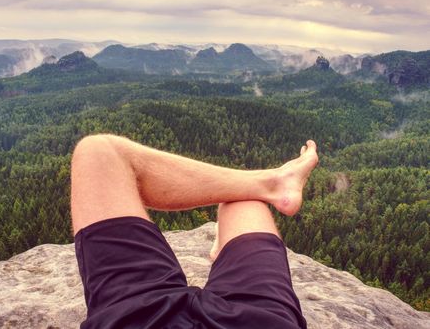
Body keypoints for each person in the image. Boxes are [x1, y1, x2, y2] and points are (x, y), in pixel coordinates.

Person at [71, 134, 318, 328]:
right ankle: (271, 188)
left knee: (98, 152)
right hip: (257, 322)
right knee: (242, 202)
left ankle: (270, 186)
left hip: (142, 318)